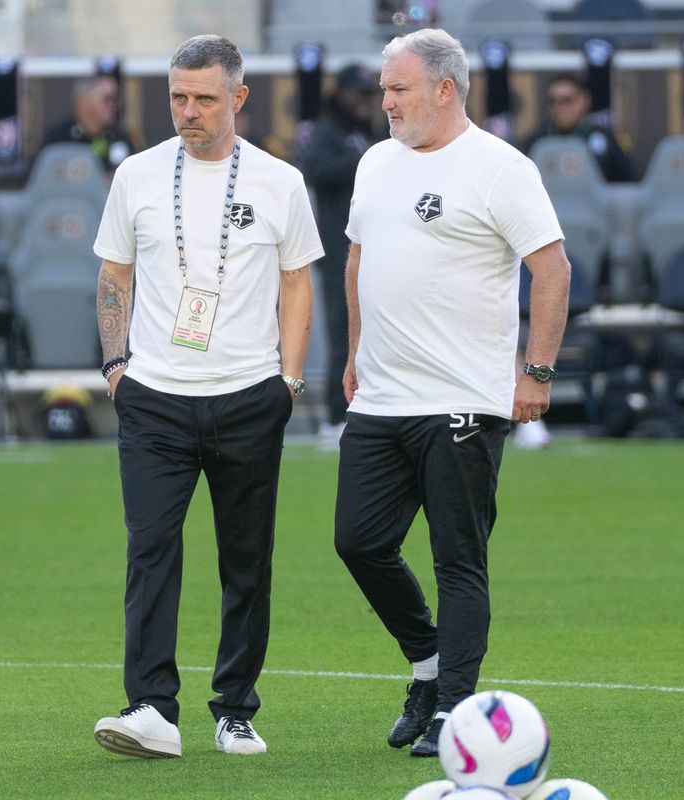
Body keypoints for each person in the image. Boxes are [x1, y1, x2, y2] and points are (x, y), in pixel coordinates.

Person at [334, 29, 570, 758]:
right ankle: (430, 667)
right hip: (382, 394)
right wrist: (353, 354)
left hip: (464, 397)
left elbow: (553, 269)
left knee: (457, 558)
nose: (386, 102)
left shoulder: (501, 168)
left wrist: (535, 372)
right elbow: (358, 261)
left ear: (445, 89)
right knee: (359, 542)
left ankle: (458, 713)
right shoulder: (375, 161)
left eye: (398, 89)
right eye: (383, 88)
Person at [91, 34, 322, 760]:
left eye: (204, 99)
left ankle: (235, 709)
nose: (188, 112)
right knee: (150, 549)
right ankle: (152, 707)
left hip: (250, 395)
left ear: (239, 99)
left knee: (246, 557)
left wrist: (287, 381)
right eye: (178, 98)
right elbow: (113, 276)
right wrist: (116, 367)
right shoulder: (134, 174)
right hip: (155, 396)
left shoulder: (280, 182)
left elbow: (296, 284)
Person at [302, 63, 383, 451]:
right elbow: (316, 172)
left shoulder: (369, 131)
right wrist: (365, 161)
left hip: (376, 249)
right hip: (339, 250)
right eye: (358, 95)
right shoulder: (329, 131)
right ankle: (336, 416)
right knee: (343, 332)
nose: (365, 102)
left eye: (370, 95)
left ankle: (368, 407)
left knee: (375, 331)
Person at [525, 73, 634, 183]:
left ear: (584, 100)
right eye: (553, 101)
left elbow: (628, 183)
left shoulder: (607, 139)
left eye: (567, 100)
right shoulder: (536, 141)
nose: (559, 107)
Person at [41, 75, 136, 174]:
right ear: (84, 101)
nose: (114, 105)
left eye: (115, 100)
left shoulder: (120, 138)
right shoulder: (58, 138)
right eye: (107, 99)